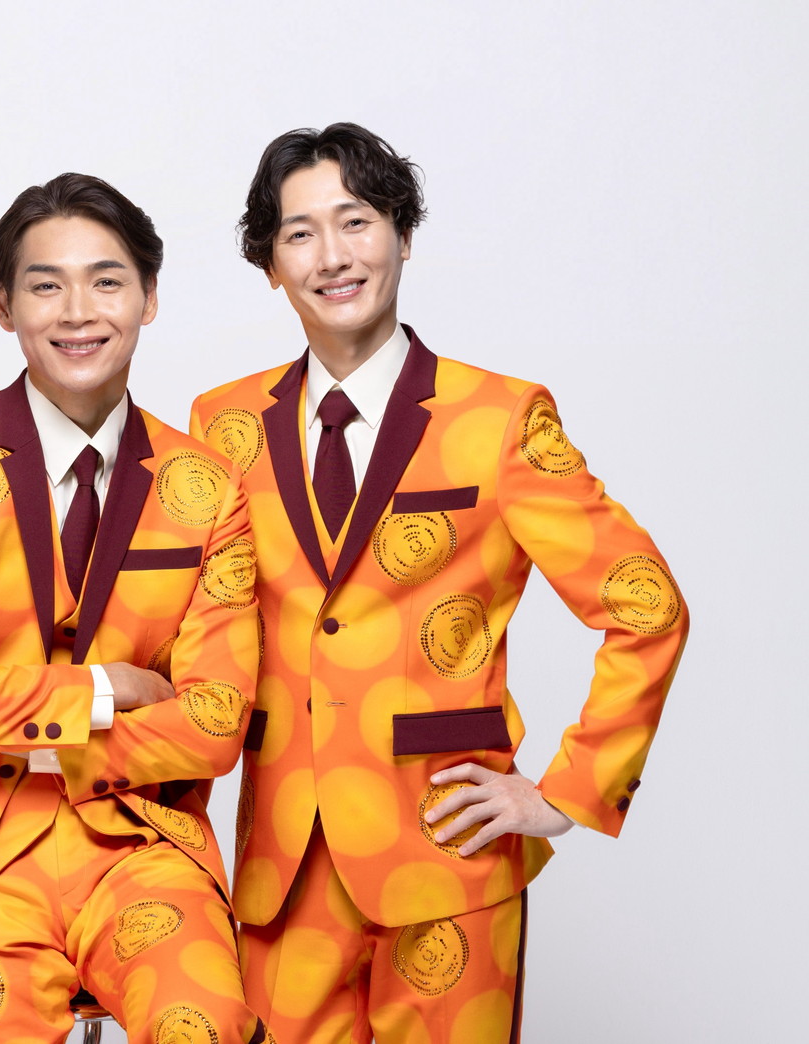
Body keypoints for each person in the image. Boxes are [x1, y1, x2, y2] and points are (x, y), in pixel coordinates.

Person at [189, 123, 688, 1043]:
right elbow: (186, 627)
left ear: (403, 235)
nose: (332, 256)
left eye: (357, 222)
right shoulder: (223, 425)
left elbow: (646, 605)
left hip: (449, 858)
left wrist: (567, 792)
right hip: (281, 869)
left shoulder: (498, 418)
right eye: (300, 233)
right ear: (269, 265)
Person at [0, 173, 268, 1042]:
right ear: (4, 306)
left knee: (203, 1026)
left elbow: (214, 725)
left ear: (149, 298)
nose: (79, 311)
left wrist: (0, 709)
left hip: (142, 850)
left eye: (107, 282)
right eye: (46, 285)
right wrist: (114, 687)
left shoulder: (208, 486)